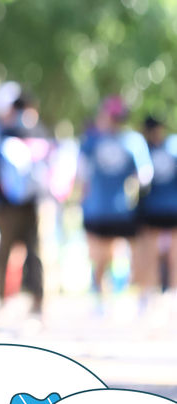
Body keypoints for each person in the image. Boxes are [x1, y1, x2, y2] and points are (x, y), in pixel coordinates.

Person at [77, 96, 153, 307]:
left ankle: (139, 296)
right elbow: (81, 175)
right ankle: (102, 299)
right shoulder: (92, 141)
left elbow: (144, 175)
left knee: (129, 254)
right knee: (101, 256)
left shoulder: (131, 141)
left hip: (121, 209)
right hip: (99, 209)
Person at [0, 86, 53, 316]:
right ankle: (38, 300)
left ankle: (1, 299)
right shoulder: (41, 131)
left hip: (8, 205)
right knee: (36, 252)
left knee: (5, 251)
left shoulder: (6, 132)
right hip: (35, 203)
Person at [135, 115, 177, 303]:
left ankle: (171, 294)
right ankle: (148, 293)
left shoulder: (171, 147)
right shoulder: (145, 150)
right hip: (152, 210)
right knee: (150, 254)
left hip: (170, 209)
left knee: (173, 255)